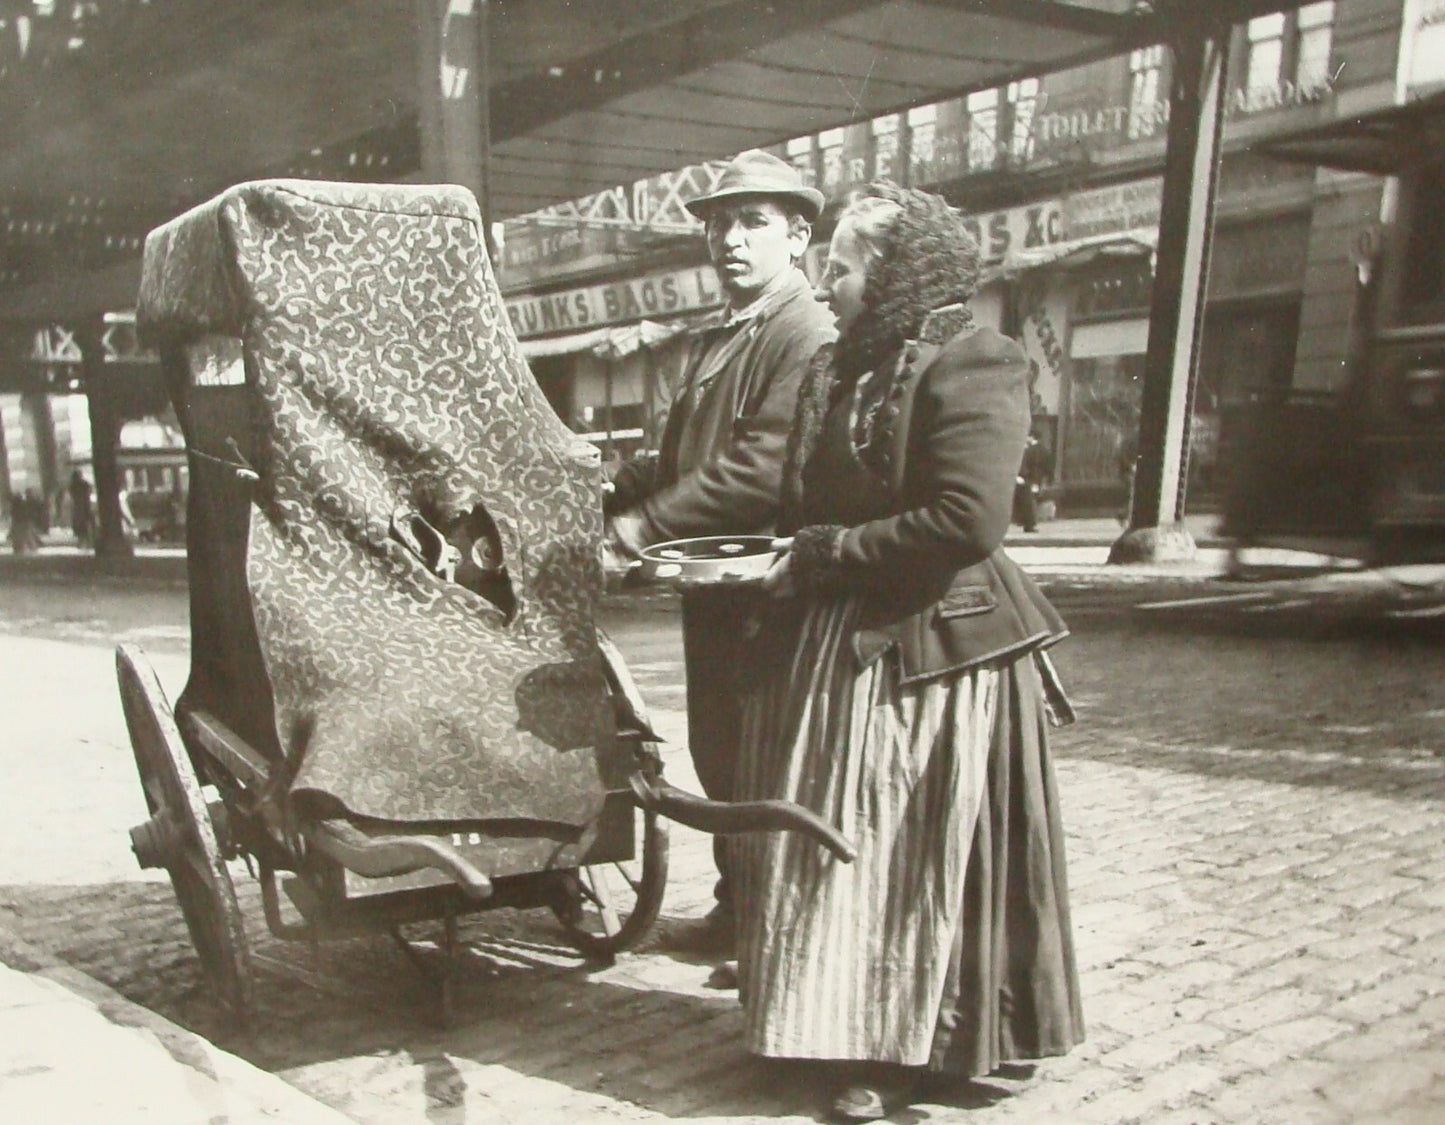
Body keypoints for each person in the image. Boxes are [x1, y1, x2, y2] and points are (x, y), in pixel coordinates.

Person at [732, 182, 1084, 1121]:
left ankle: (901, 1046)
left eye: (840, 266)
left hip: (936, 648)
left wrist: (827, 554)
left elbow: (966, 520)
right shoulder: (846, 367)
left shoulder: (978, 360)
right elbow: (810, 494)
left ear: (891, 270)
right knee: (841, 841)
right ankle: (830, 1021)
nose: (827, 281)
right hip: (841, 633)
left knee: (902, 845)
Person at [604, 149, 837, 954]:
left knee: (757, 753)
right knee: (716, 746)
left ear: (797, 236)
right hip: (712, 582)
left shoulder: (804, 330)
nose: (729, 240)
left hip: (764, 586)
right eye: (719, 225)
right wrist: (591, 488)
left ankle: (768, 928)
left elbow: (758, 466)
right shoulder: (721, 337)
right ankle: (739, 904)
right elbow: (675, 460)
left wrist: (637, 528)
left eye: (752, 223)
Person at [1014, 428, 1049, 533]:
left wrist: (1022, 476)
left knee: (1028, 502)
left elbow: (1027, 466)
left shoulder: (1030, 451)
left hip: (1028, 479)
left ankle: (1028, 523)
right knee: (1030, 501)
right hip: (1036, 479)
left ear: (1031, 437)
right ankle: (1028, 523)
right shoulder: (1043, 450)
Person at [68, 470, 94, 548]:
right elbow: (89, 491)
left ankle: (82, 542)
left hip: (78, 507)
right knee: (87, 524)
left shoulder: (72, 485)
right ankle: (88, 542)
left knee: (80, 525)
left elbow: (72, 495)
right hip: (85, 505)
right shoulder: (85, 484)